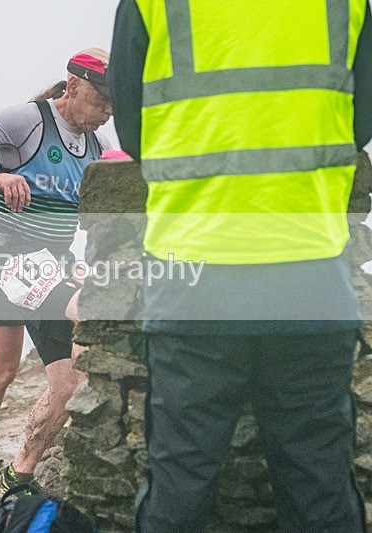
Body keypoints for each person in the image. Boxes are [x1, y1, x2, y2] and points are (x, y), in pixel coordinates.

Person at [110, 0, 372, 531]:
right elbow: (359, 122)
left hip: (193, 277)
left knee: (180, 482)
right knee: (319, 483)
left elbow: (135, 135)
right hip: (310, 271)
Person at [0, 48, 113, 499]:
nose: (107, 112)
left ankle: (15, 477)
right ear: (72, 87)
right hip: (7, 261)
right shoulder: (27, 121)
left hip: (52, 263)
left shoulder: (95, 147)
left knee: (67, 383)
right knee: (6, 369)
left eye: (115, 104)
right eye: (101, 101)